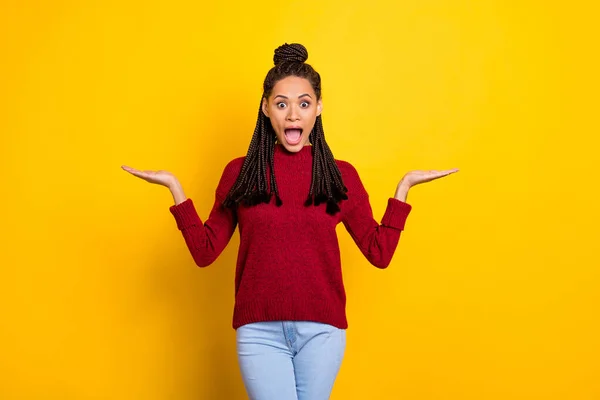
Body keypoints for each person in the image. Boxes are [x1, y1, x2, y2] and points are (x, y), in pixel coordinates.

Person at [122, 43, 458, 400]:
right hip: (259, 332)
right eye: (281, 104)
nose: (293, 115)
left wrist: (403, 189)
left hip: (322, 331)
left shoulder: (338, 176)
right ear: (266, 108)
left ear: (318, 108)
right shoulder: (241, 173)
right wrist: (176, 190)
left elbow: (379, 252)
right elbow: (205, 252)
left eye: (304, 103)